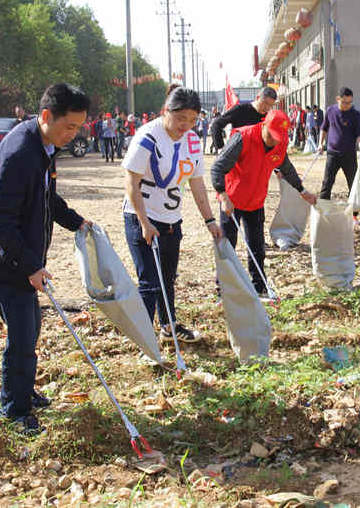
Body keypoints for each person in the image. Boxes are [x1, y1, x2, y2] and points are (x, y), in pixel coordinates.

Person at [0, 83, 93, 435]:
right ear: (47, 116)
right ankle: (15, 410)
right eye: (69, 126)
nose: (74, 134)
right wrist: (31, 266)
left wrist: (75, 221)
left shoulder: (45, 146)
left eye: (79, 127)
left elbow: (47, 196)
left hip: (18, 254)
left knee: (30, 325)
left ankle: (23, 391)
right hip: (0, 257)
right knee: (22, 332)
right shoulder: (21, 152)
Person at [122, 87, 221, 343]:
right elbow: (131, 182)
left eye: (192, 120)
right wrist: (144, 222)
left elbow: (197, 184)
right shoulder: (147, 136)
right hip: (141, 216)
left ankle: (168, 325)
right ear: (167, 111)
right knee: (149, 282)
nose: (186, 125)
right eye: (181, 119)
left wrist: (210, 220)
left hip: (171, 220)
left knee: (167, 278)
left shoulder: (193, 141)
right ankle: (143, 338)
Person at [211, 110, 317, 297]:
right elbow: (217, 167)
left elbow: (287, 168)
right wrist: (223, 195)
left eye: (278, 138)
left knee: (257, 247)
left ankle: (259, 285)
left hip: (256, 201)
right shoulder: (242, 138)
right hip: (232, 200)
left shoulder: (279, 144)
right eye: (270, 136)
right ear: (264, 124)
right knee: (227, 245)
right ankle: (223, 289)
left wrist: (302, 191)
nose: (273, 141)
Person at [317, 87, 360, 226]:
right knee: (327, 184)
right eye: (345, 102)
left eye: (350, 102)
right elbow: (324, 128)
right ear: (338, 99)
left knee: (353, 185)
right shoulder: (330, 111)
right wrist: (320, 144)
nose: (347, 105)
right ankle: (322, 213)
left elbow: (359, 135)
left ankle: (353, 216)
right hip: (332, 154)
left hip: (349, 155)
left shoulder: (356, 115)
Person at [209, 86, 277, 151]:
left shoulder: (268, 117)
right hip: (238, 157)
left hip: (257, 159)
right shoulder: (241, 109)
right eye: (265, 103)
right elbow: (216, 124)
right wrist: (221, 148)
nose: (267, 108)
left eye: (270, 105)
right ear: (258, 97)